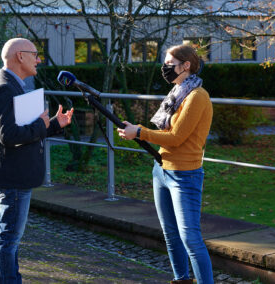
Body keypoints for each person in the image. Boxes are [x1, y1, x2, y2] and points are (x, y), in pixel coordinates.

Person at [117, 44, 213, 284]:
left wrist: (139, 132)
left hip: (185, 174)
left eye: (169, 64)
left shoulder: (197, 96)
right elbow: (166, 134)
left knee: (190, 237)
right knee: (170, 234)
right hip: (161, 170)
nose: (165, 68)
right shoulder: (177, 92)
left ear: (186, 65)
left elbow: (177, 138)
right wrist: (137, 131)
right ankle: (181, 280)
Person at [0, 38, 74, 284]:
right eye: (35, 54)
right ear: (19, 56)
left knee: (11, 237)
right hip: (14, 175)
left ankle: (13, 279)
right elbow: (9, 136)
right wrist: (40, 124)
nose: (39, 59)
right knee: (9, 238)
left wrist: (54, 125)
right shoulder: (4, 87)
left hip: (16, 174)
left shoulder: (12, 84)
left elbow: (24, 130)